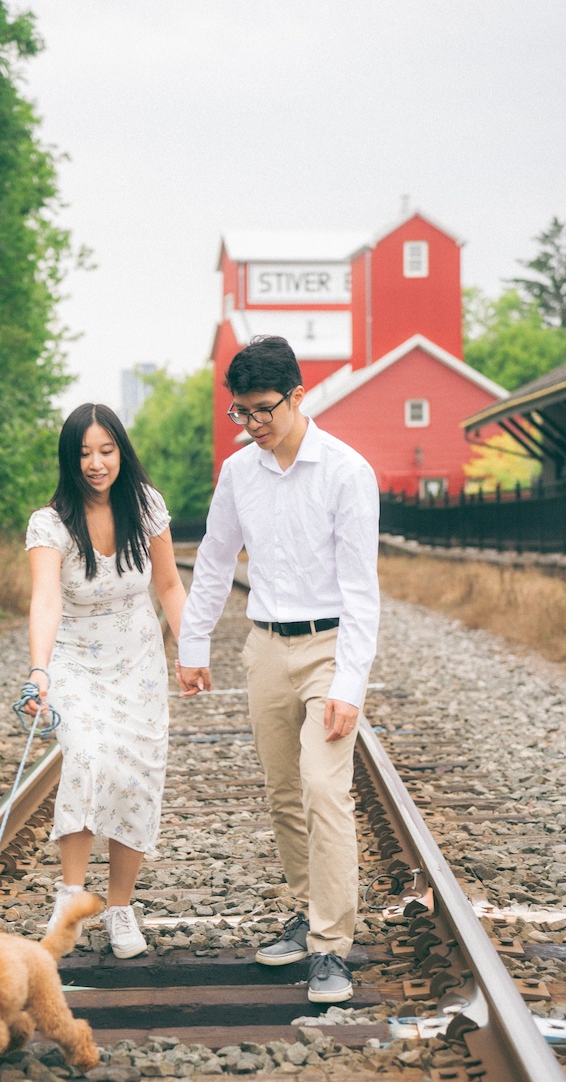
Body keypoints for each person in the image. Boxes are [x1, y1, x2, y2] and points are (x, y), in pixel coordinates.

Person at [177, 336, 380, 1002]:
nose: (251, 424)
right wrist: (193, 644)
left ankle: (330, 948)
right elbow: (213, 561)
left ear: (297, 396)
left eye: (262, 410)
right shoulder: (239, 473)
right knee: (283, 792)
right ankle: (305, 909)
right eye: (240, 412)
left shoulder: (347, 472)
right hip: (265, 647)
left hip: (327, 646)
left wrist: (348, 684)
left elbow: (361, 593)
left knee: (326, 791)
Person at [24, 403, 186, 958]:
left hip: (139, 660)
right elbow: (45, 596)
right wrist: (40, 669)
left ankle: (120, 908)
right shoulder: (50, 523)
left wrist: (190, 649)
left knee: (138, 776)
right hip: (74, 661)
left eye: (106, 450)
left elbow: (168, 585)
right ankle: (71, 895)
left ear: (121, 451)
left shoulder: (146, 507)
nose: (96, 463)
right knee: (89, 756)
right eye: (84, 453)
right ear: (70, 460)